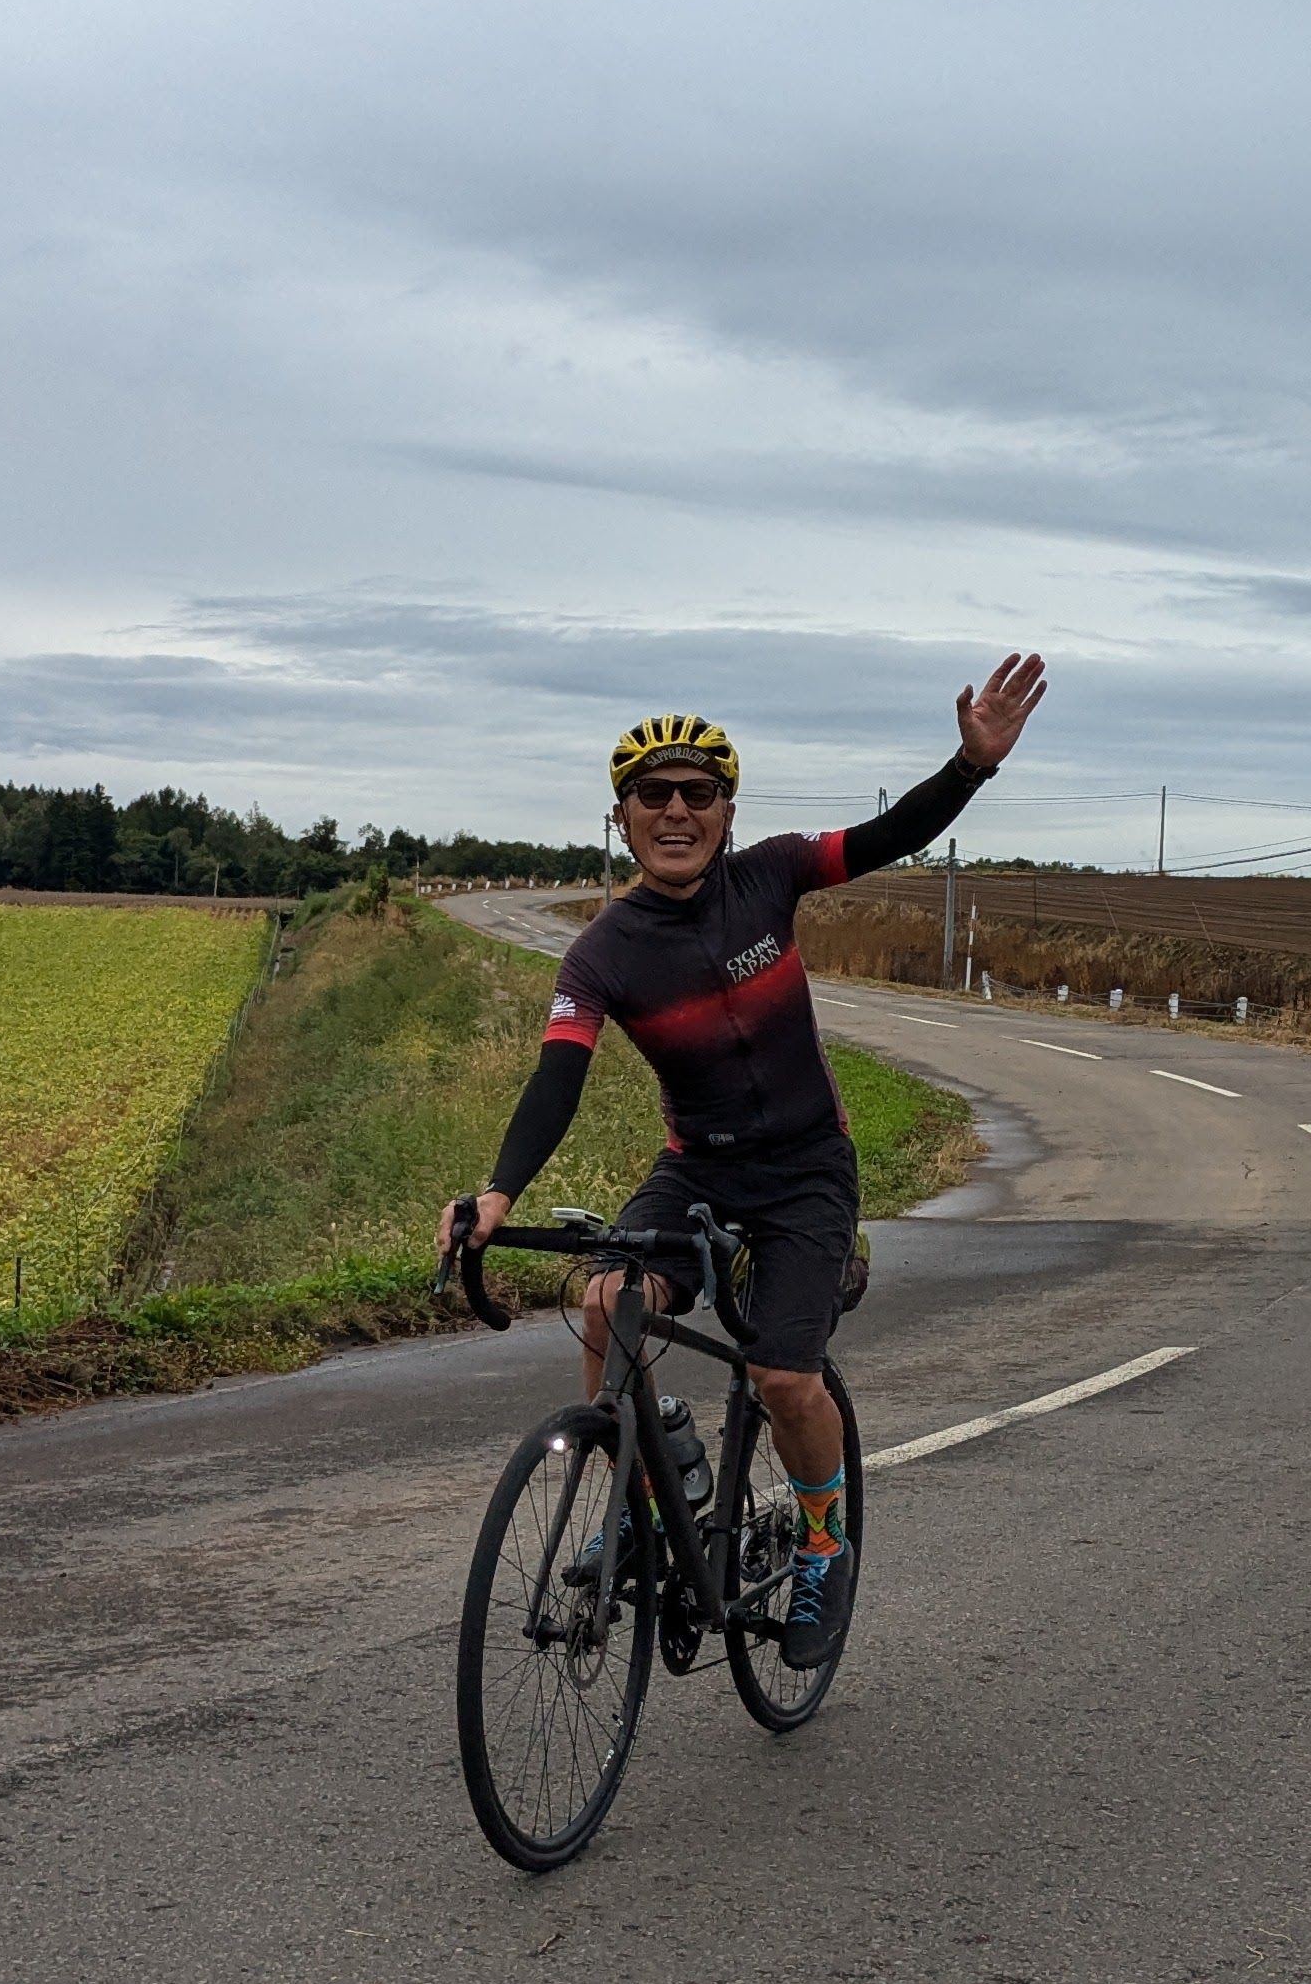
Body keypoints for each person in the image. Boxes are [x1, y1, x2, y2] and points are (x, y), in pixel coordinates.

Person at [446, 655, 1047, 1669]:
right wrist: (499, 1192)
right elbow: (557, 1078)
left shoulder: (771, 874)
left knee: (781, 1373)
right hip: (700, 1168)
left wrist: (970, 766)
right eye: (653, 794)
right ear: (622, 816)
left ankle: (821, 1544)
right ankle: (643, 1494)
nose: (676, 810)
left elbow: (887, 837)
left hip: (809, 1169)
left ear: (727, 810)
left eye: (699, 793)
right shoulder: (602, 953)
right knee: (605, 1304)